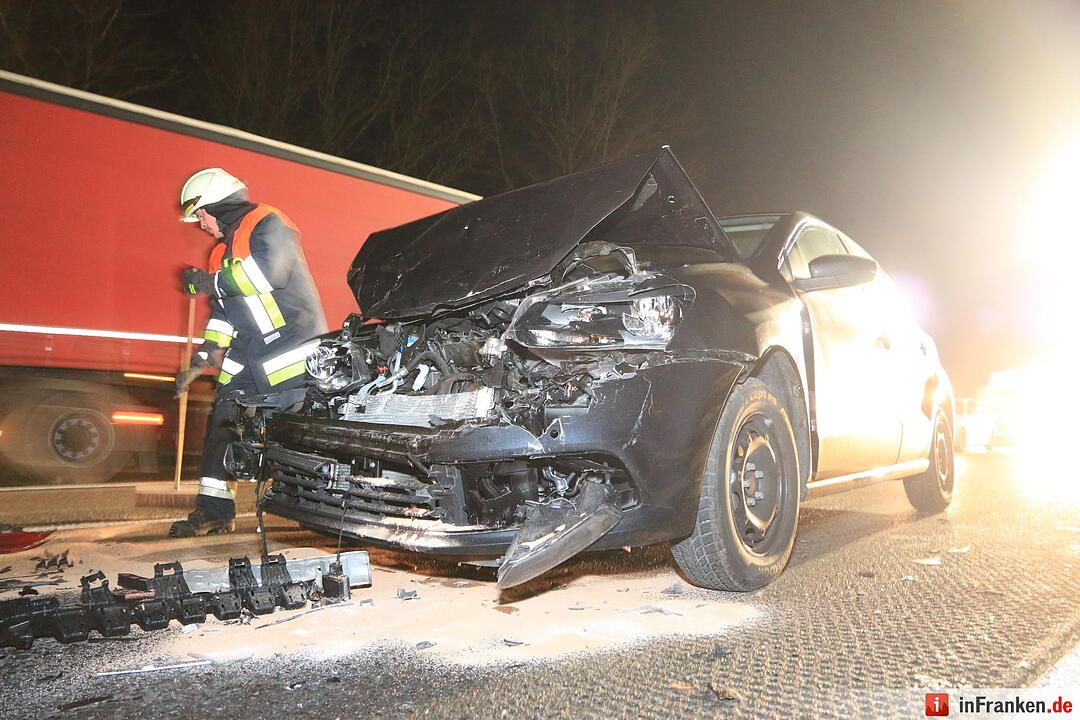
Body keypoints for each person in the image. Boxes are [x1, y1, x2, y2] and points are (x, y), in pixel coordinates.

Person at [169, 168, 327, 537]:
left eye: (201, 215)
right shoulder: (217, 254)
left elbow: (270, 273)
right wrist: (201, 360)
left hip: (291, 345)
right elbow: (223, 314)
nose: (201, 225)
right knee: (223, 422)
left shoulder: (268, 222)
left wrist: (210, 282)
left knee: (294, 433)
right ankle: (214, 510)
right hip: (248, 351)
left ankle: (320, 508)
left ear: (217, 206)